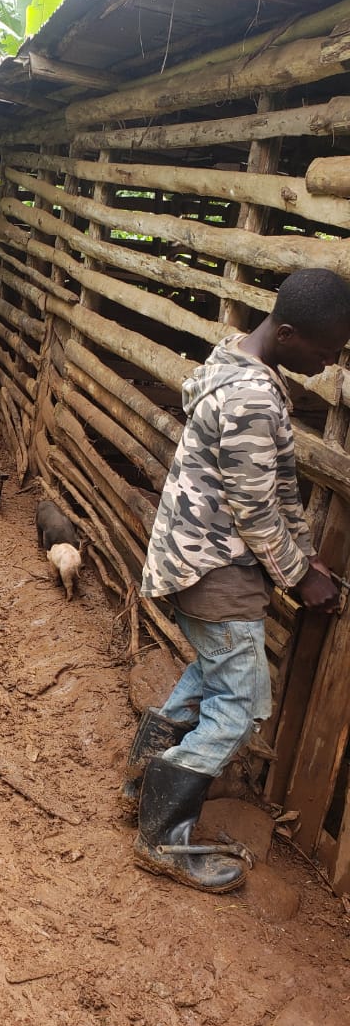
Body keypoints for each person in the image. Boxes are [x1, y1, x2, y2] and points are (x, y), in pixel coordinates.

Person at [124, 267, 350, 894]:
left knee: (212, 674)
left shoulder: (239, 364)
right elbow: (254, 508)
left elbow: (279, 488)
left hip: (198, 558)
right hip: (213, 568)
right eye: (327, 350)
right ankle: (162, 838)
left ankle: (142, 785)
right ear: (288, 333)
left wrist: (306, 555)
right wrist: (300, 577)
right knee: (240, 707)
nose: (330, 364)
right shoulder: (251, 397)